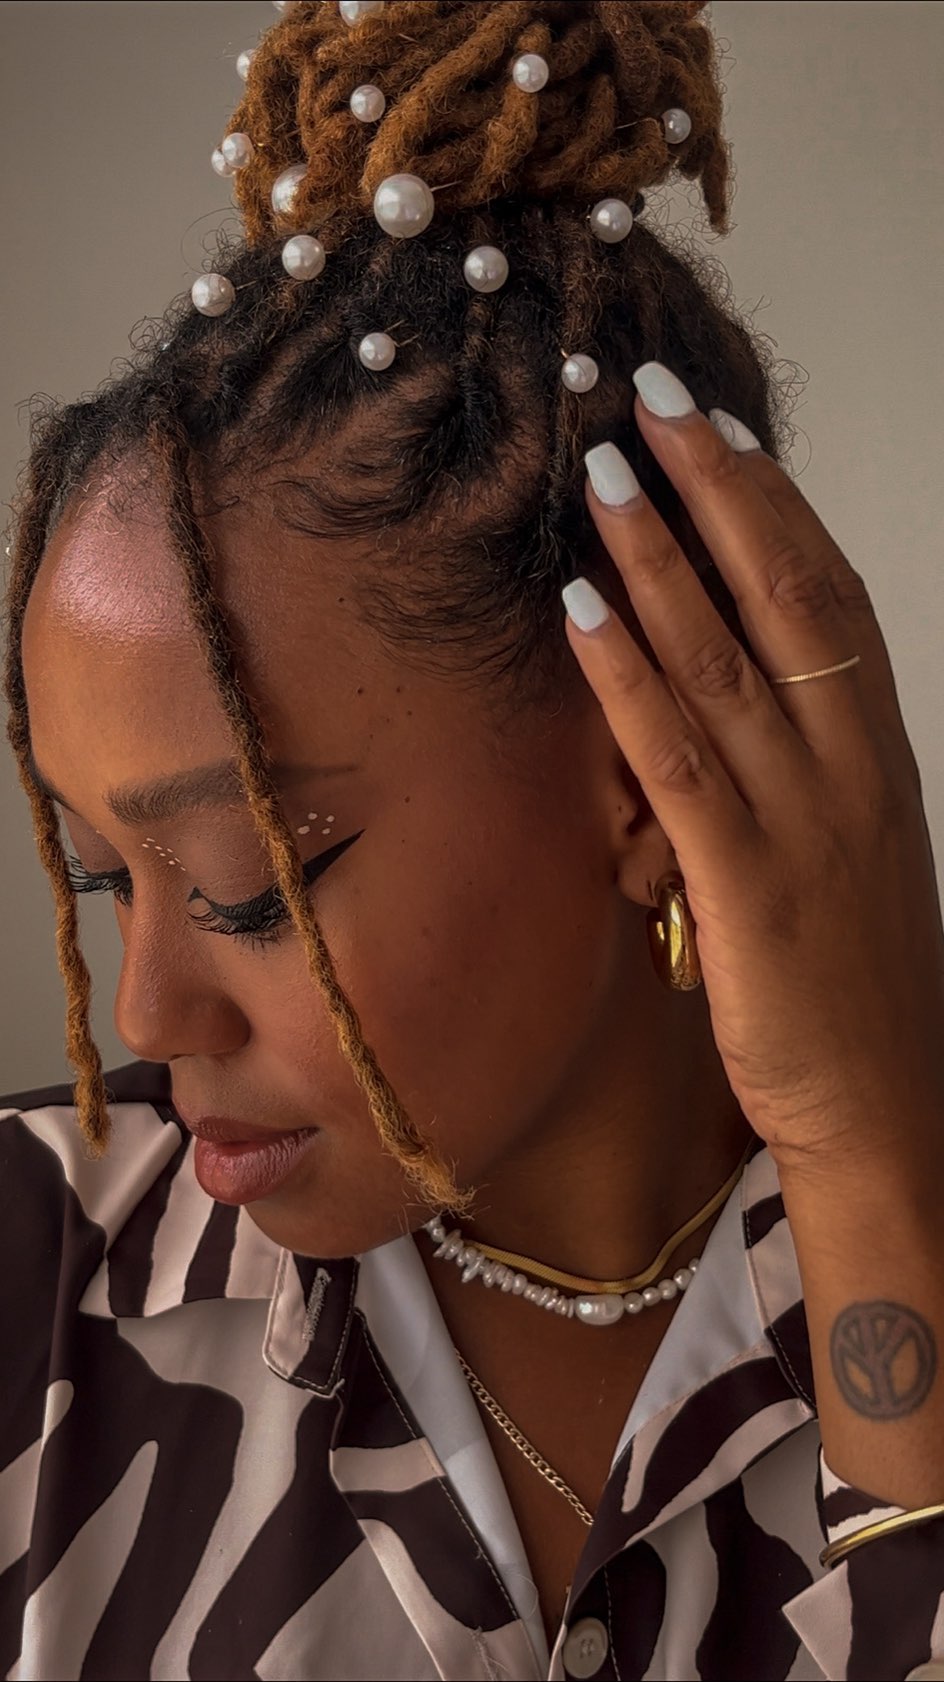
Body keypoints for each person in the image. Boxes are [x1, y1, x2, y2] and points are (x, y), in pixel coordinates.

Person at [2, 3, 943, 1679]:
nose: (146, 1013)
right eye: (97, 878)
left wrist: (873, 1166)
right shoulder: (28, 1274)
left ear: (642, 775)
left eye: (247, 885)